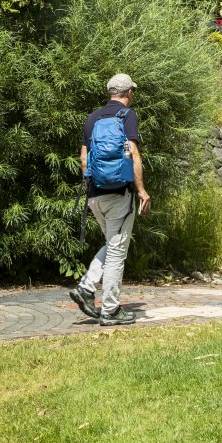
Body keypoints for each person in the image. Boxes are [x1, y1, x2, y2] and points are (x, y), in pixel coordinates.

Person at [70, 73, 151, 326]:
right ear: (129, 93)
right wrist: (141, 190)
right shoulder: (127, 116)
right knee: (117, 252)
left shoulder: (93, 118)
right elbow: (133, 153)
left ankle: (86, 287)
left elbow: (84, 159)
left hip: (95, 195)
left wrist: (92, 185)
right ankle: (110, 310)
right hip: (120, 194)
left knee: (112, 244)